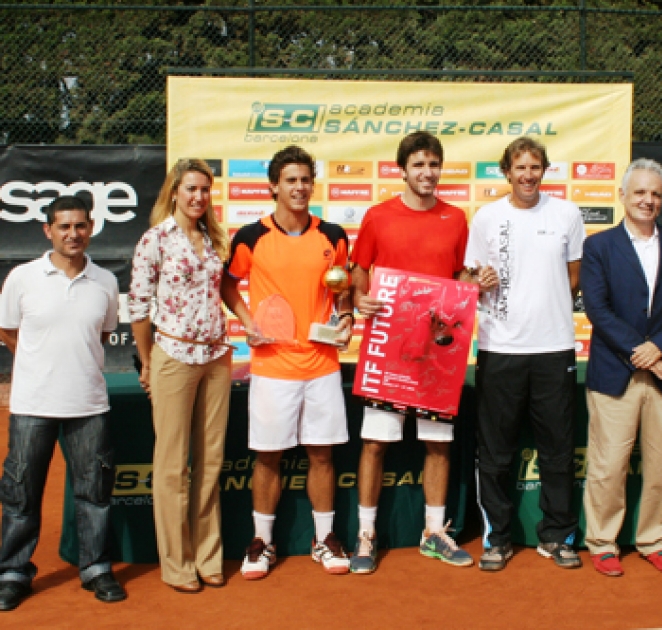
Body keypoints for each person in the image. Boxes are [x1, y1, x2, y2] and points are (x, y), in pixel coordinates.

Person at [349, 131, 481, 573]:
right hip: (388, 348)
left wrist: (475, 286)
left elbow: (461, 276)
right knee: (375, 444)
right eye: (419, 164)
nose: (427, 172)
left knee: (438, 444)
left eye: (434, 164)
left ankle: (434, 532)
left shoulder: (457, 219)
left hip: (438, 355)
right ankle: (366, 534)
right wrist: (360, 298)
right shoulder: (377, 216)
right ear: (401, 169)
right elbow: (357, 272)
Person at [221, 146, 354, 579]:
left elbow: (343, 287)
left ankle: (324, 539)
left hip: (321, 364)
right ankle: (262, 543)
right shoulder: (250, 237)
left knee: (321, 455)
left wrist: (348, 316)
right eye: (290, 180)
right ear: (274, 186)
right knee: (268, 457)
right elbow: (226, 284)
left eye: (305, 180)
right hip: (272, 366)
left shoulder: (332, 235)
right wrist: (247, 320)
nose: (299, 188)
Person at [0, 196, 125, 610]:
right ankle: (14, 572)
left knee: (94, 495)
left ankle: (95, 569)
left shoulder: (106, 281)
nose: (73, 234)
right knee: (21, 495)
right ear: (47, 231)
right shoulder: (22, 277)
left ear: (91, 228)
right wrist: (41, 366)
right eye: (64, 226)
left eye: (80, 226)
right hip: (32, 405)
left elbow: (102, 335)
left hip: (88, 405)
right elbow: (9, 331)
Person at [465, 137, 584, 571]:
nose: (528, 175)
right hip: (500, 349)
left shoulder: (567, 214)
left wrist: (544, 308)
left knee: (557, 449)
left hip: (554, 348)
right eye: (520, 168)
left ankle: (558, 536)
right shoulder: (487, 217)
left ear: (544, 170)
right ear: (506, 172)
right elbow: (470, 275)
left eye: (536, 167)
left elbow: (573, 277)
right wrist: (480, 282)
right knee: (495, 452)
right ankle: (497, 537)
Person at [580, 159, 662, 577]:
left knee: (660, 464)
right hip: (616, 374)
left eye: (655, 194)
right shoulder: (598, 247)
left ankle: (653, 538)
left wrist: (660, 348)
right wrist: (642, 351)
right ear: (623, 196)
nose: (648, 201)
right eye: (640, 193)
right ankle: (602, 541)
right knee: (609, 464)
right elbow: (598, 308)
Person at [128, 159, 232, 592]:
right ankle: (177, 564)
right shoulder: (155, 239)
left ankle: (209, 556)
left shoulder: (213, 238)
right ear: (174, 191)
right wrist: (148, 361)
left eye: (205, 190)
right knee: (173, 467)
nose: (198, 197)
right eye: (191, 189)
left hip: (217, 357)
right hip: (172, 354)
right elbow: (137, 306)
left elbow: (224, 291)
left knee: (210, 462)